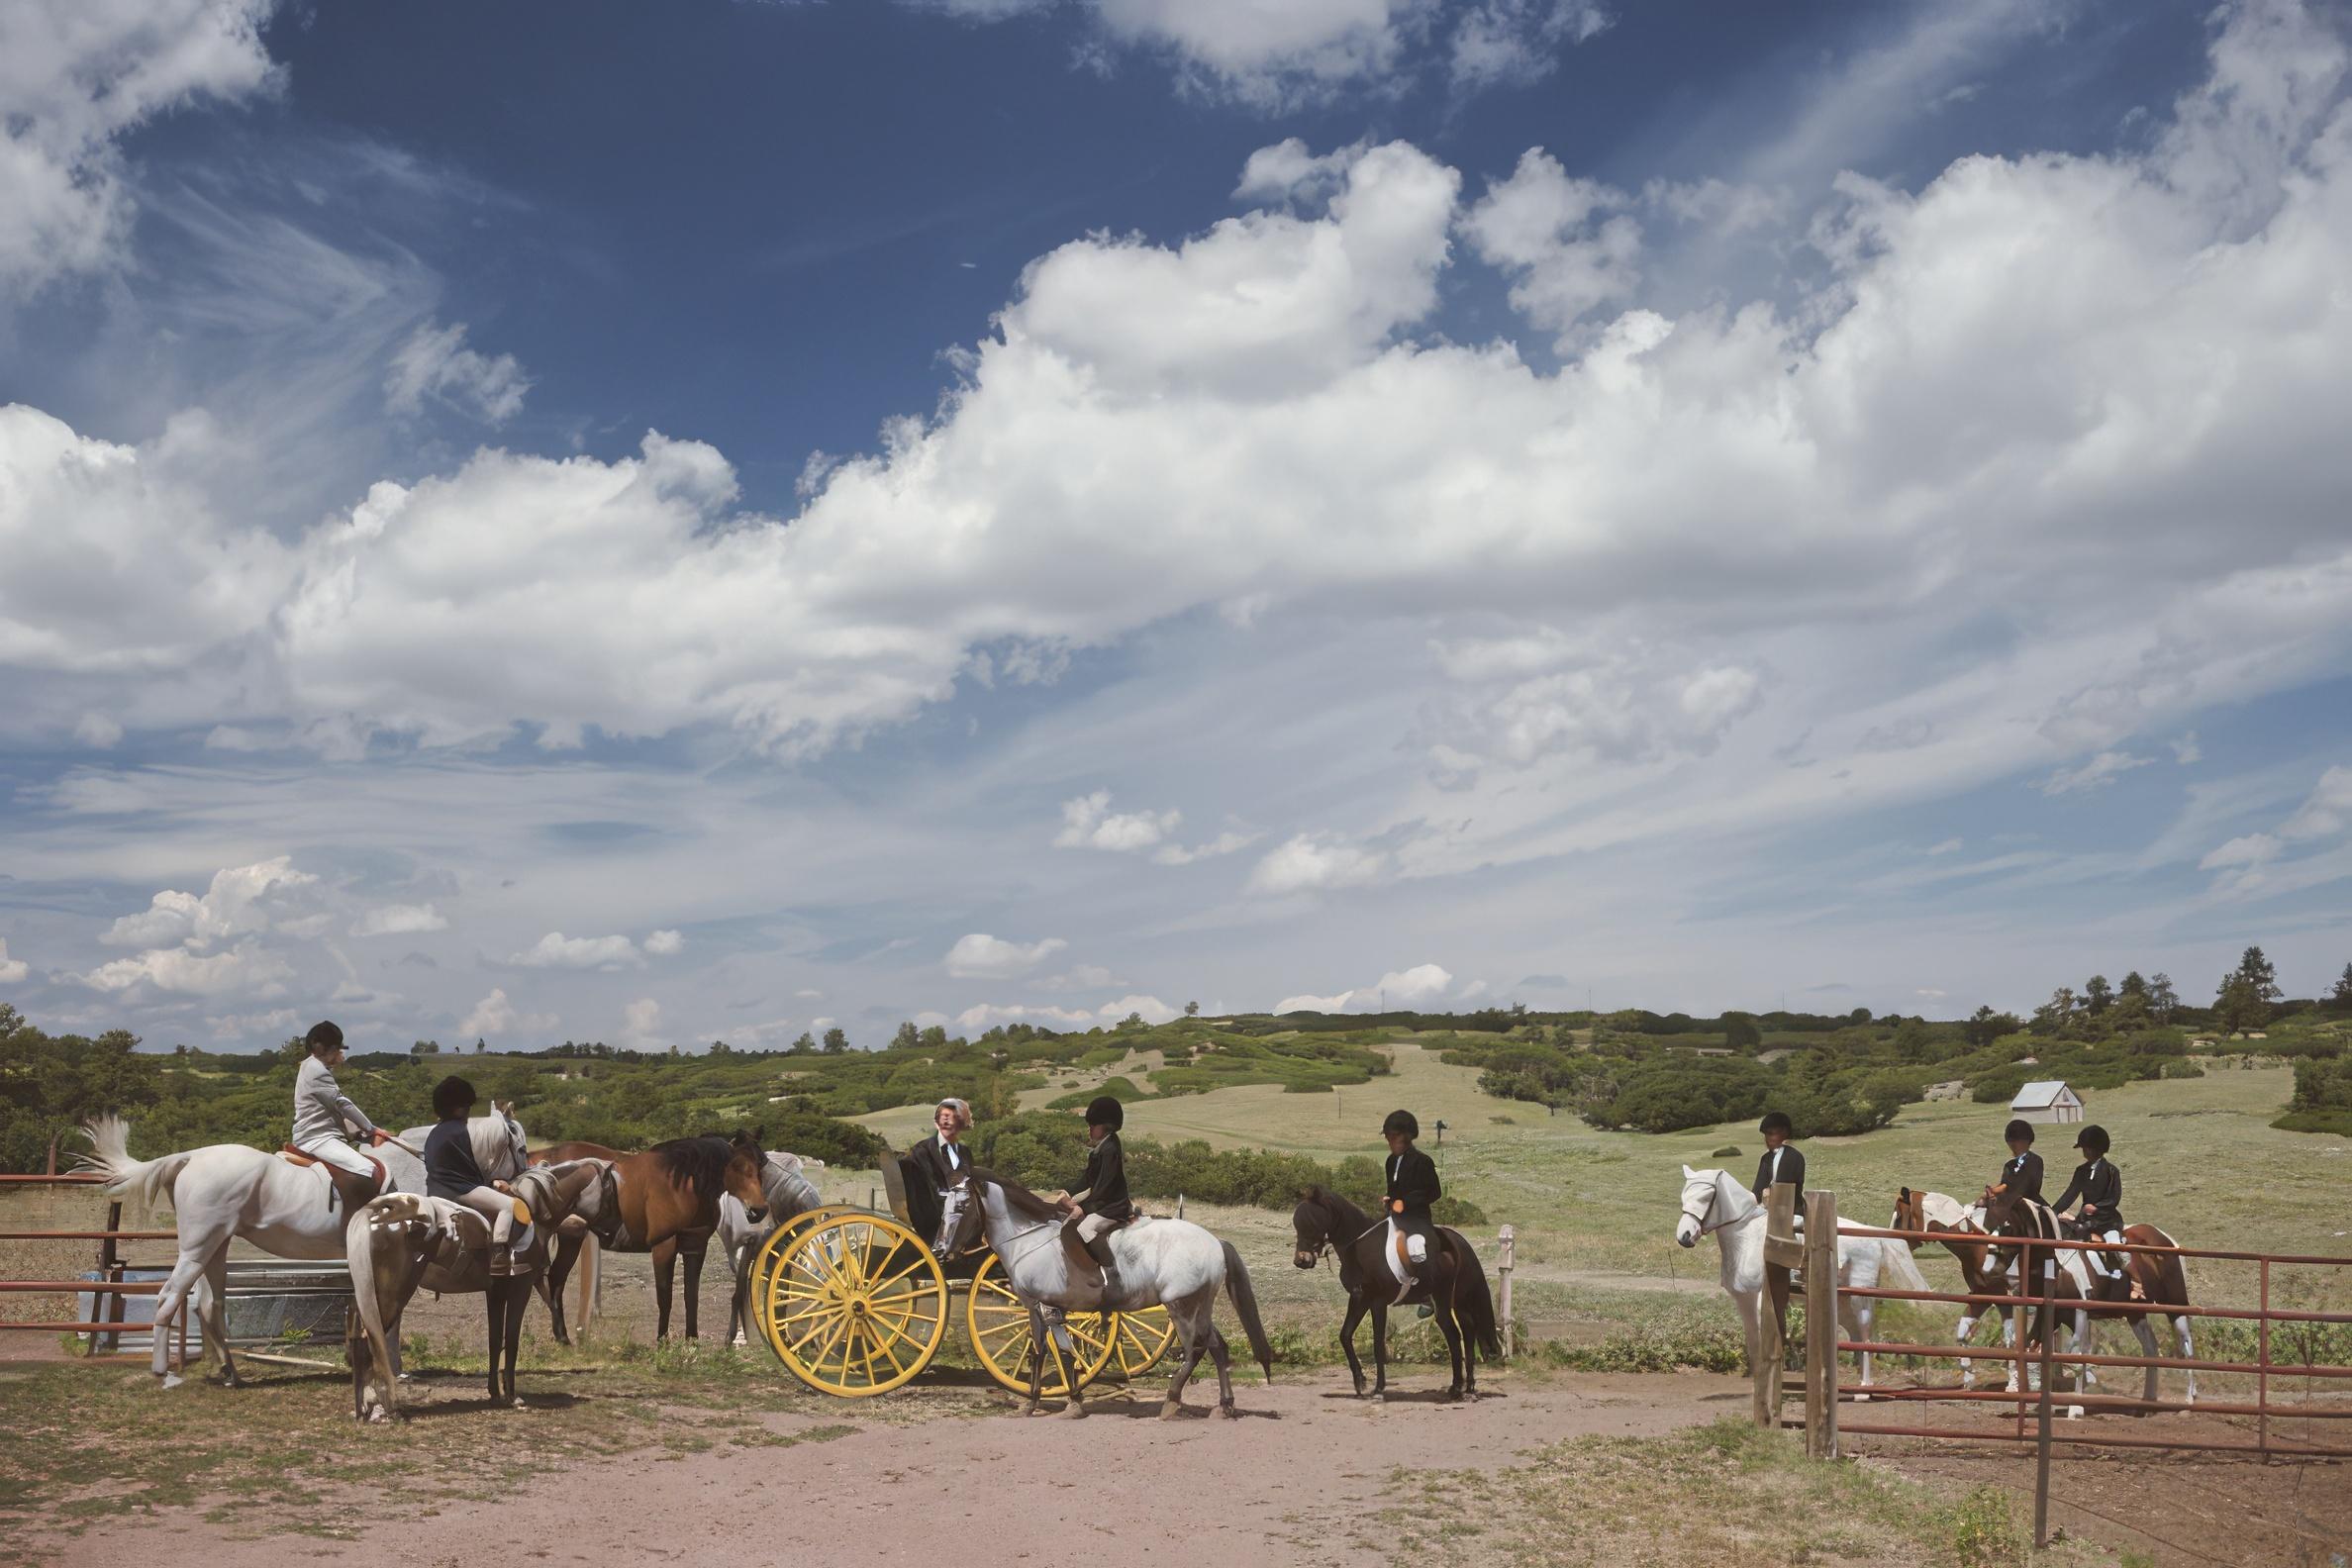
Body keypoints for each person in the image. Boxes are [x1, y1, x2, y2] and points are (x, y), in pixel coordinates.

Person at [290, 1021, 390, 1205]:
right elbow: (342, 1104)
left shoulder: (309, 1065)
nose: (341, 1054)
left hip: (317, 1134)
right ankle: (343, 1211)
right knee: (368, 1170)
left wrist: (358, 1132)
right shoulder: (317, 1070)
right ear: (331, 1048)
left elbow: (330, 1109)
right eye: (338, 1050)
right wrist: (372, 1128)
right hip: (318, 1138)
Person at [424, 1075, 516, 1259]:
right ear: (459, 1109)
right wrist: (489, 1185)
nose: (468, 1112)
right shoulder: (461, 1131)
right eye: (467, 1108)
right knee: (509, 1205)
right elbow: (469, 1171)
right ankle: (499, 1254)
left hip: (433, 1190)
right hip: (460, 1190)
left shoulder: (434, 1133)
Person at [1058, 1096, 1131, 1288]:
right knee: (1066, 1223)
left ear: (1106, 1126)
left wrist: (1082, 1207)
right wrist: (1067, 1193)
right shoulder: (1099, 1149)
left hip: (1113, 1207)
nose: (1089, 1129)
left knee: (1085, 1227)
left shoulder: (1110, 1150)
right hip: (1102, 1203)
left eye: (1093, 1125)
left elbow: (1103, 1187)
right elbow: (1087, 1179)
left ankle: (1111, 1271)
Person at [2049, 1124, 2132, 1294]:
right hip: (2087, 1220)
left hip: (2107, 1220)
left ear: (2097, 1149)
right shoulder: (2081, 1171)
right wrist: (2052, 1212)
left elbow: (2114, 1198)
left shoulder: (2111, 1171)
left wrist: (2096, 1207)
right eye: (2084, 1148)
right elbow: (2070, 1194)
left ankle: (2131, 1281)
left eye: (2087, 1148)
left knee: (2116, 1246)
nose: (2085, 1152)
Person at [1383, 1110, 1440, 1301]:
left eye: (1393, 1137)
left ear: (1406, 1137)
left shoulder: (1423, 1161)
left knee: (1417, 1248)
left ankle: (1428, 1293)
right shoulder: (1390, 1161)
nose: (1389, 1142)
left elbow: (1434, 1192)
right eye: (1388, 1137)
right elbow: (1393, 1190)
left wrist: (1405, 1202)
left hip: (1417, 1219)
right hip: (1394, 1217)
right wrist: (1389, 1200)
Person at [906, 1097, 973, 1196]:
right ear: (937, 1122)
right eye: (943, 1116)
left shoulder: (965, 1152)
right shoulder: (921, 1151)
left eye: (953, 1117)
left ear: (962, 1123)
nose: (946, 1120)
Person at [1988, 1120, 2044, 1209]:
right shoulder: (2009, 1165)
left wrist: (1995, 1190)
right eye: (2011, 1144)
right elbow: (2006, 1184)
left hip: (2032, 1202)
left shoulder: (2036, 1161)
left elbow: (2021, 1187)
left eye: (2015, 1144)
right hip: (2010, 1203)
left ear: (2027, 1142)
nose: (2013, 1147)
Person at [1751, 1111, 1806, 1203]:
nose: (1768, 1139)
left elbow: (1783, 1189)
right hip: (1769, 1208)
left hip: (1791, 1211)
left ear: (1784, 1133)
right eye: (1766, 1135)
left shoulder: (1793, 1157)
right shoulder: (1766, 1158)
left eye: (1771, 1134)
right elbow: (1758, 1190)